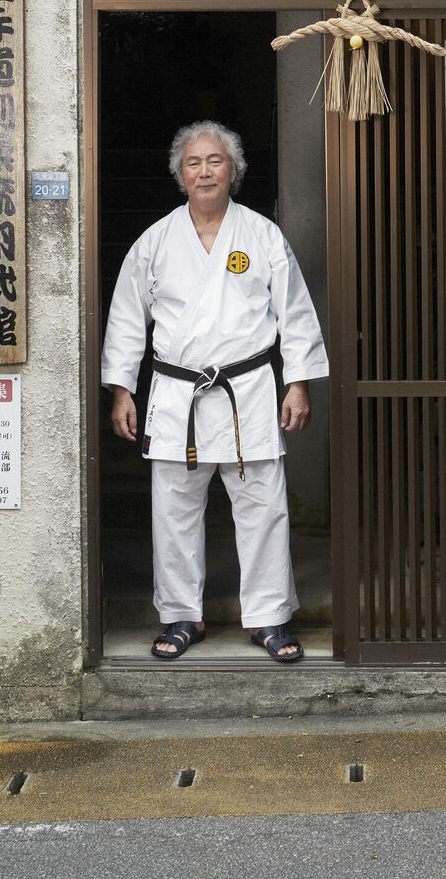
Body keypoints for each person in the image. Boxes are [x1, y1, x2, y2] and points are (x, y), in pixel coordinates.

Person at [101, 121, 329, 663]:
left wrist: (296, 383)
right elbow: (128, 320)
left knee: (262, 504)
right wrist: (121, 389)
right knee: (174, 508)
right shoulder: (154, 242)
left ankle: (270, 617)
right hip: (178, 393)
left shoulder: (262, 236)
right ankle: (181, 614)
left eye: (215, 161)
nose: (205, 171)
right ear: (180, 175)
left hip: (246, 389)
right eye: (194, 163)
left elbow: (293, 312)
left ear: (234, 170)